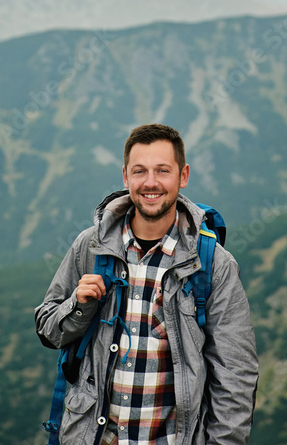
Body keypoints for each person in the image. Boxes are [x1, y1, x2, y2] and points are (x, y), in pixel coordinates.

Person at [35, 123, 259, 445]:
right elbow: (47, 328)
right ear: (125, 177)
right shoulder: (91, 246)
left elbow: (235, 376)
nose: (150, 183)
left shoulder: (213, 265)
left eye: (162, 171)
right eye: (139, 172)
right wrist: (79, 307)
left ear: (183, 176)